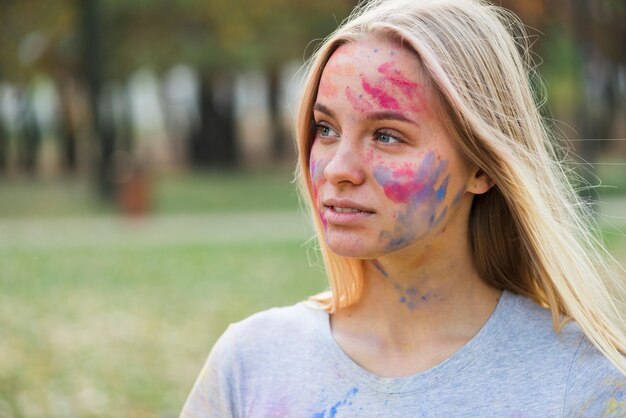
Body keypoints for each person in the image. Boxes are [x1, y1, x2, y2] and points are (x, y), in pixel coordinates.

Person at [181, 0, 626, 416]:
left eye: (387, 136)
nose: (338, 169)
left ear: (482, 167)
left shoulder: (582, 383)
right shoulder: (251, 363)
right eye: (326, 128)